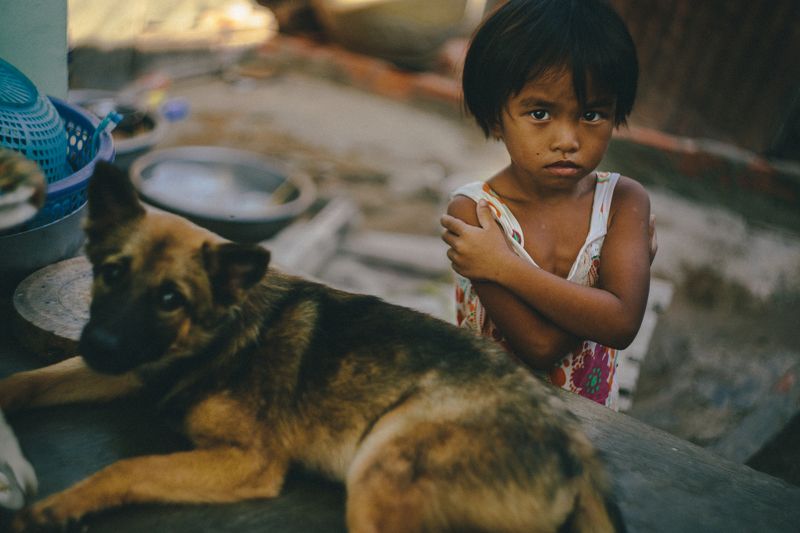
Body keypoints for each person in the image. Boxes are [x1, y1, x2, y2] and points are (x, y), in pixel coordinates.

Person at [440, 0, 652, 410]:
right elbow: (537, 345)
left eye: (592, 114)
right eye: (540, 113)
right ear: (497, 117)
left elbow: (623, 325)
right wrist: (605, 295)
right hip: (491, 413)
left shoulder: (623, 200)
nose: (568, 140)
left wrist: (503, 265)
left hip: (591, 423)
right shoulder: (476, 213)